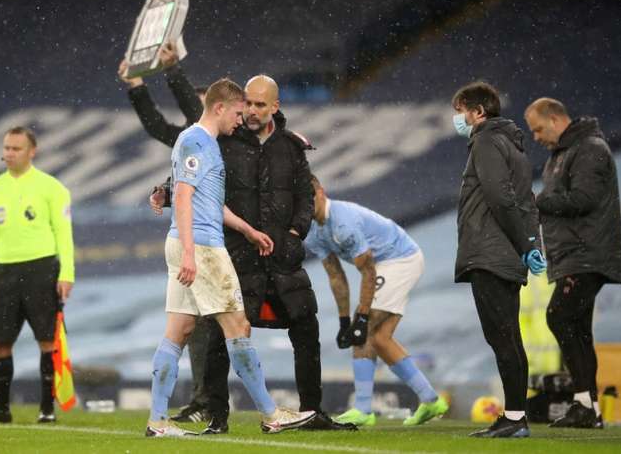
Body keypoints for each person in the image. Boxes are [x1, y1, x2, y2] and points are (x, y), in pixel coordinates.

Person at [147, 57, 353, 433]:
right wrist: (191, 247)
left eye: (257, 106)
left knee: (179, 331)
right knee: (235, 327)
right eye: (242, 109)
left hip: (229, 247)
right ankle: (268, 415)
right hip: (207, 248)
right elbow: (185, 194)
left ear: (275, 106)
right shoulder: (207, 140)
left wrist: (273, 232)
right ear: (224, 108)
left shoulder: (281, 146)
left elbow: (211, 199)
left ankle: (157, 420)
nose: (244, 117)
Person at [119, 45, 215, 424]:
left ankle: (215, 400)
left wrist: (173, 69)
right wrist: (136, 86)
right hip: (196, 241)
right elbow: (159, 127)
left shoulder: (223, 140)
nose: (198, 114)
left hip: (224, 241)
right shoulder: (192, 142)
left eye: (205, 106)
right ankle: (205, 401)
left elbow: (191, 112)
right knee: (197, 325)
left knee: (222, 326)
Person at [304, 175, 449, 427]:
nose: (306, 205)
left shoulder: (343, 223)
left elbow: (368, 271)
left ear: (321, 193)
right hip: (384, 265)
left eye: (309, 198)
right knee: (380, 338)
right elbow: (336, 277)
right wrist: (343, 321)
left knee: (365, 330)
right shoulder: (313, 231)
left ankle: (363, 409)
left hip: (399, 259)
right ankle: (430, 399)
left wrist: (360, 317)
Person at [451, 81, 546, 438]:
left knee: (502, 338)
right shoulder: (513, 146)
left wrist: (524, 245)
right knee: (508, 337)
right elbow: (526, 202)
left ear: (477, 112)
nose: (457, 119)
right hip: (505, 253)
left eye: (460, 111)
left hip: (490, 253)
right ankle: (515, 415)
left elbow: (500, 198)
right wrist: (531, 245)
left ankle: (515, 419)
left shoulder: (487, 139)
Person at [524, 98, 621, 429]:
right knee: (578, 328)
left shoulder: (590, 148)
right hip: (571, 254)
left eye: (538, 129)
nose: (536, 137)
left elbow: (585, 199)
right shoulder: (561, 154)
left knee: (559, 316)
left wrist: (540, 202)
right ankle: (589, 408)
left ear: (555, 120)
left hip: (588, 253)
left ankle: (583, 402)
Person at [0, 126, 75, 424]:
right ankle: (1, 410)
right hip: (5, 273)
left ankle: (46, 409)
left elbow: (64, 235)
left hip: (42, 270)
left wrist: (67, 273)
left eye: (16, 148)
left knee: (47, 342)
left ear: (32, 152)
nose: (9, 154)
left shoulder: (52, 188)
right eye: (6, 148)